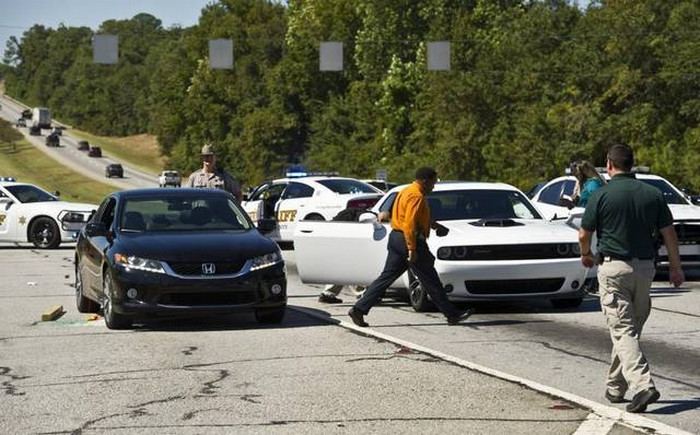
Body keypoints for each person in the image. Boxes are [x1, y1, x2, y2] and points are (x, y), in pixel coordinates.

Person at [578, 144, 683, 413]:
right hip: (646, 270)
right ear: (632, 164)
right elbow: (669, 233)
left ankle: (642, 386)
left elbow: (583, 234)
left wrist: (586, 255)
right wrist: (675, 268)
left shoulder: (601, 194)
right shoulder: (653, 193)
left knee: (623, 330)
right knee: (628, 330)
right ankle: (615, 386)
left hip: (614, 269)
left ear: (609, 165)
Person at [348, 167, 474, 327]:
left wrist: (435, 226)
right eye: (433, 183)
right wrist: (412, 249)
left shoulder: (406, 190)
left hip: (396, 237)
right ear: (425, 181)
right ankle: (452, 314)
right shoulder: (417, 195)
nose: (433, 187)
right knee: (430, 278)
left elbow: (411, 217)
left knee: (386, 277)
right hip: (409, 239)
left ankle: (359, 309)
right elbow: (410, 224)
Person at [318, 211, 389, 303]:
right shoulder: (367, 219)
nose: (382, 223)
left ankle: (328, 294)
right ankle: (362, 295)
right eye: (381, 221)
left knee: (343, 266)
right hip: (339, 236)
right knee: (354, 265)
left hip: (340, 236)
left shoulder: (366, 218)